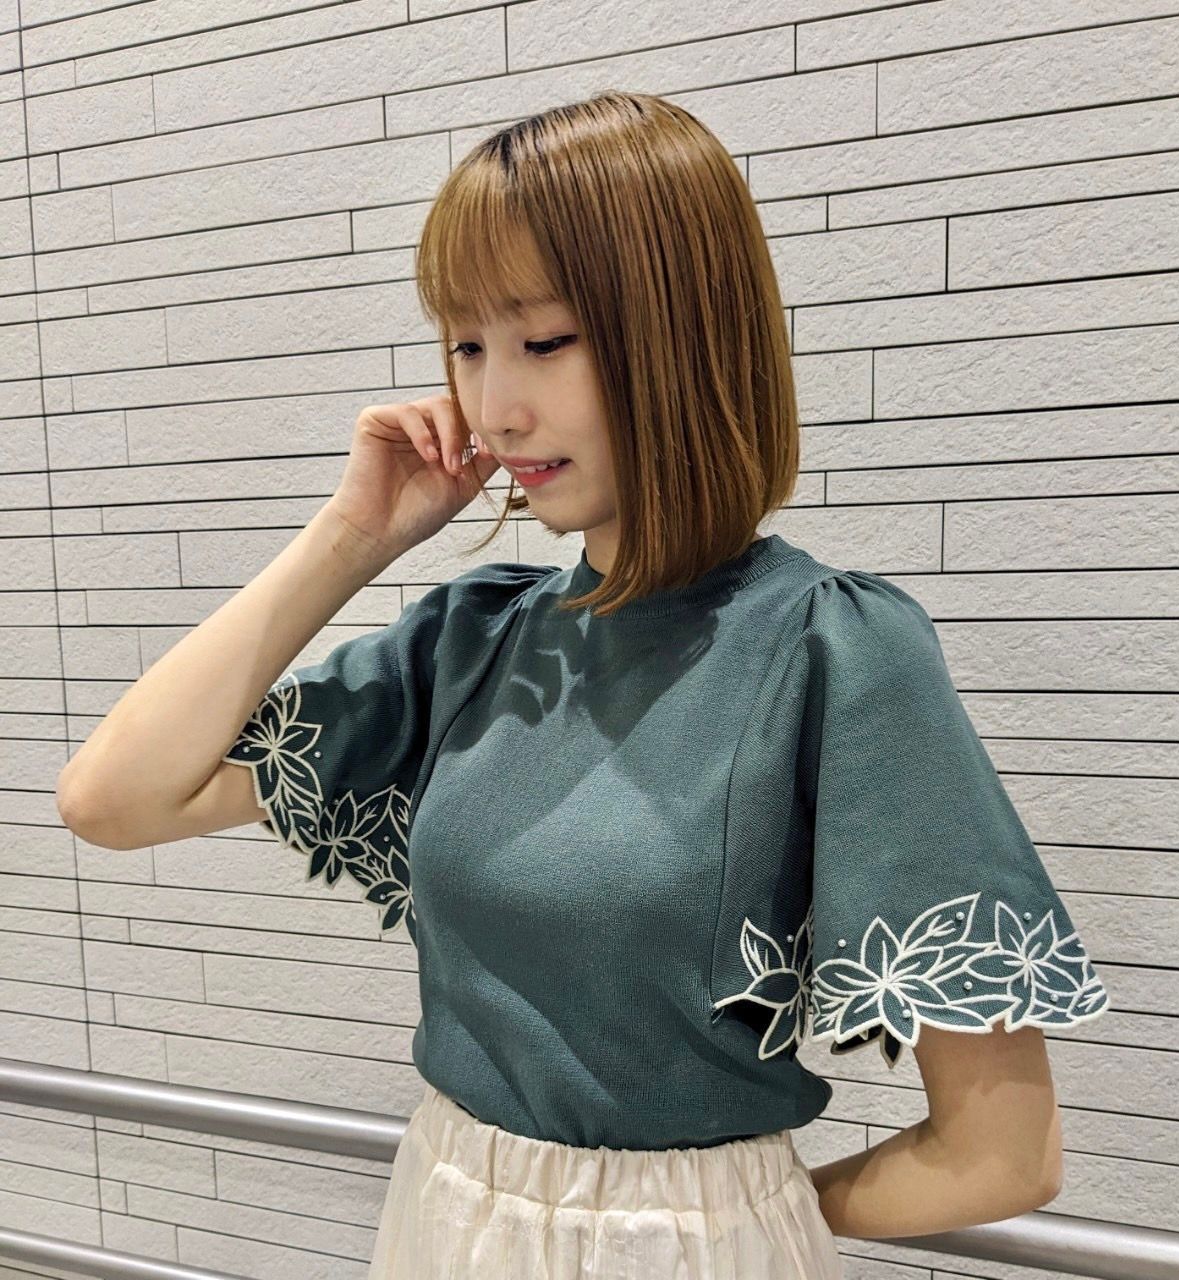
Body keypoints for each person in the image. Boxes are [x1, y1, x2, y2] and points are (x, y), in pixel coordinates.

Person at [57, 89, 1110, 1279]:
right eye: (466, 344)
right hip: (441, 1219)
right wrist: (350, 540)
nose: (496, 408)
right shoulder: (474, 639)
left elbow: (999, 1151)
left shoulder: (828, 649)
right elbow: (114, 799)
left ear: (686, 336)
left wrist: (727, 1218)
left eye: (545, 341)